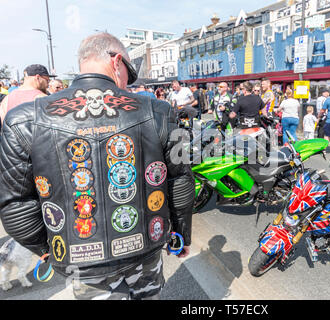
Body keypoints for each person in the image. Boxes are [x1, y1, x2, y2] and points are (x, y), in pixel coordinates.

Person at [0, 32, 194, 300]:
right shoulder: (158, 110)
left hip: (81, 261)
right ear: (117, 62)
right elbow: (181, 180)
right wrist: (181, 235)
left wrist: (52, 249)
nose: (128, 82)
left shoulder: (22, 119)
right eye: (129, 72)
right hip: (145, 249)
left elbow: (15, 204)